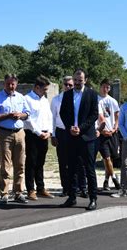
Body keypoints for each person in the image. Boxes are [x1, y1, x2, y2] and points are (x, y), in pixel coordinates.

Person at [59, 69, 99, 211]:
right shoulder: (67, 94)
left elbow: (94, 114)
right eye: (75, 80)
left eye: (80, 80)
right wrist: (70, 127)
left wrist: (80, 128)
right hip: (71, 136)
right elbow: (62, 113)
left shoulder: (92, 94)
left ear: (85, 80)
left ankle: (93, 198)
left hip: (86, 137)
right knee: (72, 168)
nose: (76, 83)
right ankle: (72, 197)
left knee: (89, 169)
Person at [0, 74, 30, 204]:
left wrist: (21, 115)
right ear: (4, 83)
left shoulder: (21, 97)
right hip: (4, 133)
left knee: (20, 164)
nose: (11, 86)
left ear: (16, 84)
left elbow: (27, 114)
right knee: (5, 165)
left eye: (13, 84)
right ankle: (4, 194)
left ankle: (18, 192)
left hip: (19, 133)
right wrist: (7, 115)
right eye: (8, 84)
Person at [51, 76, 87, 197]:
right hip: (62, 132)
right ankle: (66, 188)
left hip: (76, 132)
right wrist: (53, 135)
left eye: (70, 85)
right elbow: (53, 118)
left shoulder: (78, 98)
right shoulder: (56, 99)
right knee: (63, 162)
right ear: (62, 85)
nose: (68, 87)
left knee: (80, 161)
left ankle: (82, 187)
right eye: (66, 84)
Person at [24, 75, 54, 200]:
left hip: (44, 134)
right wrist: (37, 132)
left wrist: (50, 132)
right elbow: (29, 119)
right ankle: (30, 189)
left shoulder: (45, 100)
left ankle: (40, 188)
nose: (46, 92)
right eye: (44, 89)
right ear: (37, 87)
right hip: (33, 134)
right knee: (31, 162)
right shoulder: (27, 99)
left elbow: (49, 117)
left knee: (40, 162)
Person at [97, 78, 121, 191]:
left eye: (108, 87)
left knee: (110, 158)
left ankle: (106, 181)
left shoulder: (113, 101)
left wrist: (115, 127)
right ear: (100, 86)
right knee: (106, 157)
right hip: (101, 133)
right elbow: (99, 117)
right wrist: (102, 130)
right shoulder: (96, 100)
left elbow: (117, 115)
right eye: (104, 86)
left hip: (112, 133)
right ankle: (115, 178)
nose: (106, 89)